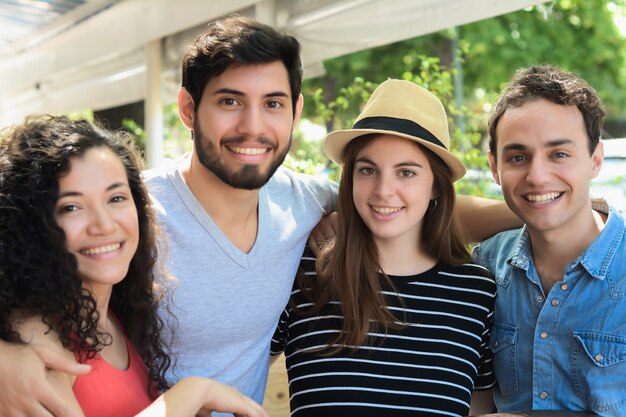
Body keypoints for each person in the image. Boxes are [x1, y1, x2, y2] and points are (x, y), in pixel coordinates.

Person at [0, 16, 520, 417]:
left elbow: (415, 211)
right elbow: (20, 248)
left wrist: (535, 207)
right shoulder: (129, 212)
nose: (253, 126)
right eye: (230, 101)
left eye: (272, 103)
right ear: (187, 108)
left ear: (294, 112)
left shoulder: (305, 203)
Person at [0, 115, 268, 417]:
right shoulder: (38, 340)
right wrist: (193, 393)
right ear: (31, 226)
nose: (103, 224)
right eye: (71, 207)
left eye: (116, 198)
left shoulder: (117, 318)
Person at [271, 79, 497, 417]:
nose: (383, 191)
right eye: (367, 170)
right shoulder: (305, 271)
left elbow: (479, 407)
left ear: (435, 186)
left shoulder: (475, 291)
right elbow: (235, 368)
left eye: (406, 172)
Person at [472, 65, 626, 416]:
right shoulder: (485, 266)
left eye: (559, 154)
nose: (537, 176)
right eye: (517, 157)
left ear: (595, 159)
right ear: (494, 167)